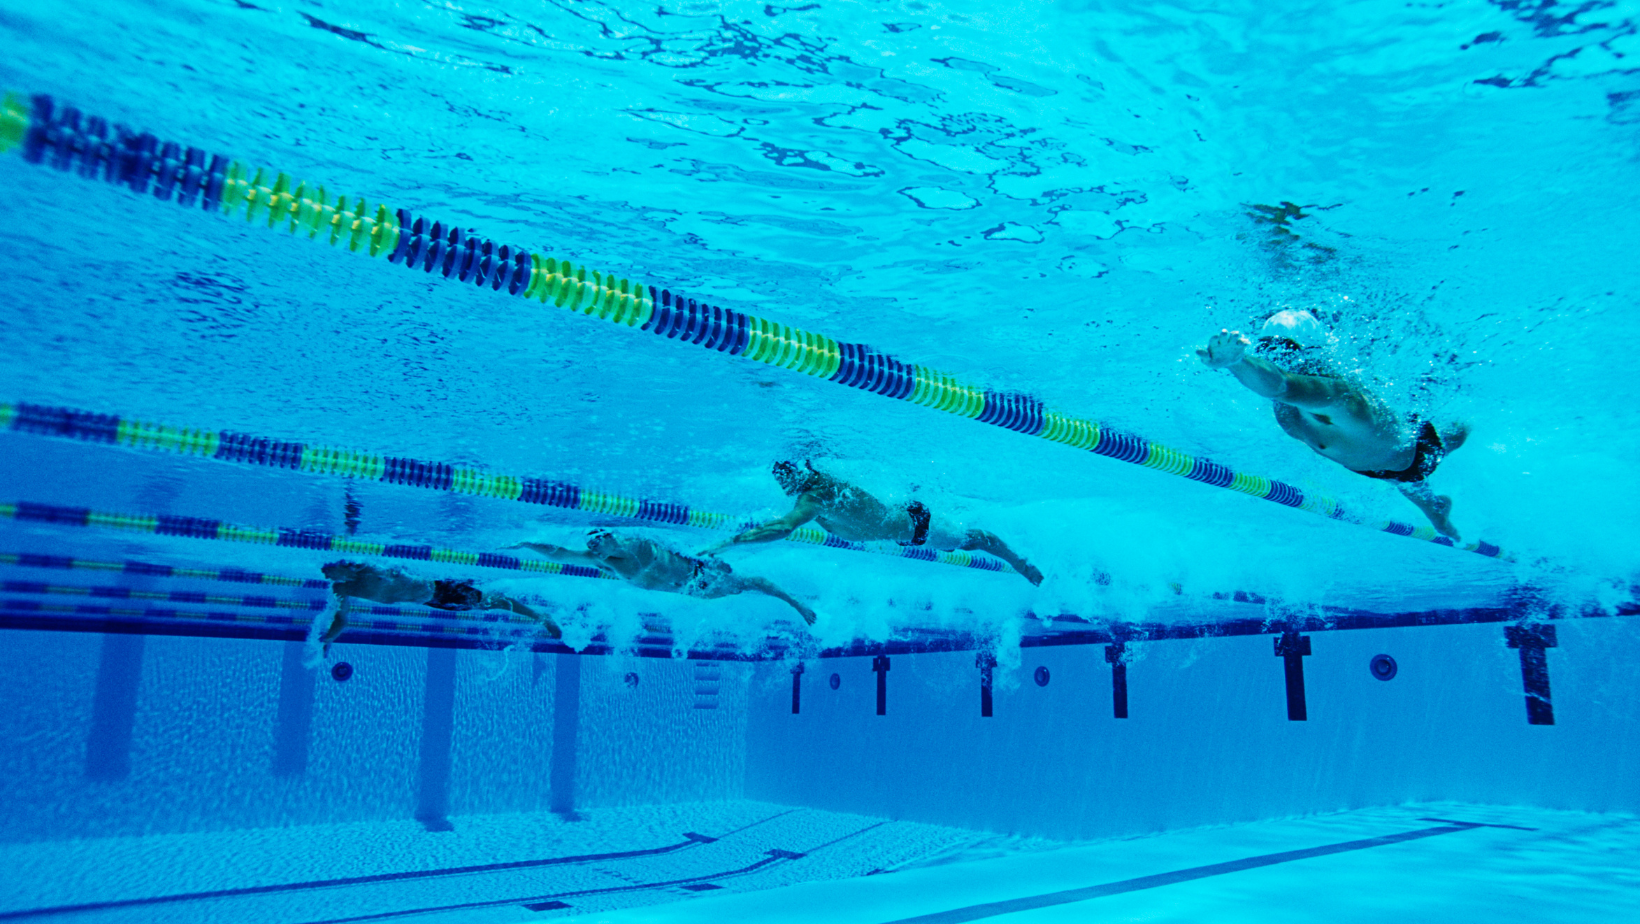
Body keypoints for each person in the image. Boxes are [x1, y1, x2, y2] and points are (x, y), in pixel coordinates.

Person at [1197, 309, 1469, 538]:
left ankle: (1473, 412)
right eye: (1268, 348)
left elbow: (1281, 385)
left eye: (1286, 349)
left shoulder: (1341, 397)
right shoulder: (1291, 402)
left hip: (1414, 452)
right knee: (1408, 486)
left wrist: (1237, 362)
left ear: (1312, 352)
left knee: (1456, 434)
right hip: (1374, 463)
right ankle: (1439, 515)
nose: (1277, 357)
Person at [700, 461, 1045, 585]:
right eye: (782, 483)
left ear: (798, 476)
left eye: (786, 480)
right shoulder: (815, 494)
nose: (786, 488)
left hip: (915, 526)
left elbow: (783, 528)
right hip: (897, 525)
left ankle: (1021, 562)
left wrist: (732, 542)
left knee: (973, 539)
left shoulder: (814, 496)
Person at [511, 530, 817, 625]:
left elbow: (681, 549)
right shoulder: (603, 562)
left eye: (596, 543)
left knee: (757, 582)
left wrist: (712, 560)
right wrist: (527, 545)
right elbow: (560, 553)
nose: (592, 550)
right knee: (748, 589)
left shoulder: (641, 543)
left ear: (609, 538)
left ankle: (799, 604)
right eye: (591, 546)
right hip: (694, 592)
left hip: (701, 576)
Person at [317, 560, 560, 655]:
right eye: (327, 574)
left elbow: (395, 567)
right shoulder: (343, 590)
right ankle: (536, 612)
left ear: (341, 565)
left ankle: (540, 615)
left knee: (491, 601)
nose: (327, 576)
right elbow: (341, 619)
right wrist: (328, 638)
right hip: (432, 600)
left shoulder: (363, 566)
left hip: (437, 587)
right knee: (488, 602)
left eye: (329, 571)